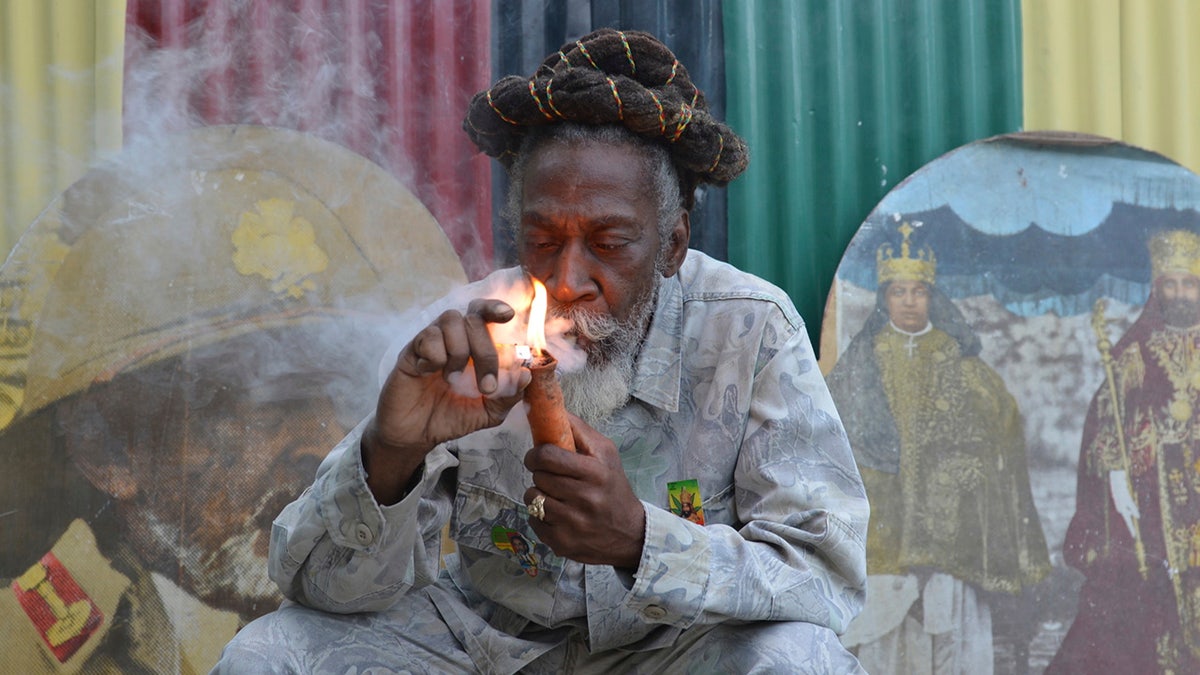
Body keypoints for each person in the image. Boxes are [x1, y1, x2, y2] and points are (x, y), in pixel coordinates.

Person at [216, 28, 869, 673]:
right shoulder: (467, 340)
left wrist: (641, 540)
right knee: (270, 655)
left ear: (672, 244)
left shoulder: (749, 329)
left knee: (801, 660)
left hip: (678, 648)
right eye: (544, 239)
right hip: (488, 648)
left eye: (609, 243)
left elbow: (825, 576)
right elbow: (324, 589)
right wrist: (391, 451)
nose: (566, 279)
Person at [0, 126, 465, 672]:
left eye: (349, 395)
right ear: (108, 451)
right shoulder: (24, 647)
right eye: (271, 401)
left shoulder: (436, 614)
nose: (324, 445)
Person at [827, 223, 1050, 674]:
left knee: (952, 639)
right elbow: (832, 443)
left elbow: (999, 442)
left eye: (918, 292)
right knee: (885, 644)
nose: (909, 301)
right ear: (883, 298)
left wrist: (962, 475)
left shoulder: (966, 368)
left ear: (933, 297)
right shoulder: (858, 366)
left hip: (950, 530)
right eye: (898, 292)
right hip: (883, 534)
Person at [1048, 229, 1200, 674]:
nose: (1179, 293)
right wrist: (1118, 472)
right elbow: (1106, 423)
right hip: (1155, 498)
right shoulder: (1134, 351)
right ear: (1156, 288)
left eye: (1188, 283)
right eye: (1169, 283)